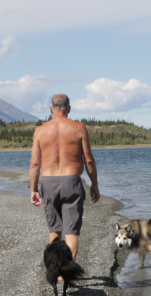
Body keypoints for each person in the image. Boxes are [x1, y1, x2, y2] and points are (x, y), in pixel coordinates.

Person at [30, 93, 100, 261]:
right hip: (71, 182)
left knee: (54, 229)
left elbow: (34, 163)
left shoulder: (40, 131)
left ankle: (56, 268)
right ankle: (66, 273)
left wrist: (33, 189)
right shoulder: (79, 128)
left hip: (48, 182)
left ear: (50, 109)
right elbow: (88, 160)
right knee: (71, 231)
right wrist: (94, 185)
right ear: (69, 109)